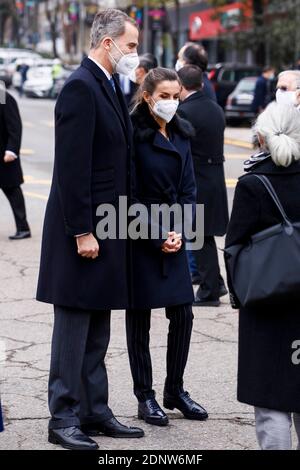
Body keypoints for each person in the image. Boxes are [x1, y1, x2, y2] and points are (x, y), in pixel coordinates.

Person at [36, 9, 144, 450]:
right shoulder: (81, 87)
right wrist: (82, 230)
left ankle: (94, 410)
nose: (133, 53)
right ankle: (62, 417)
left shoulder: (110, 85)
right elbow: (72, 168)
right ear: (108, 43)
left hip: (108, 225)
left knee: (98, 322)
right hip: (82, 229)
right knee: (74, 324)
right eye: (131, 46)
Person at [126, 67, 208, 427]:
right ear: (148, 96)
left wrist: (180, 231)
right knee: (140, 318)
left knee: (184, 314)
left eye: (176, 96)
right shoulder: (132, 133)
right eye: (164, 96)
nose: (172, 103)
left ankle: (174, 389)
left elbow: (189, 190)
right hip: (140, 233)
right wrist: (158, 234)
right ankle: (145, 396)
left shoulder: (182, 133)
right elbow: (126, 195)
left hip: (175, 234)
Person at [225, 102, 300, 450]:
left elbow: (234, 246)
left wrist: (239, 297)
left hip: (266, 300)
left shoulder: (253, 183)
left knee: (271, 399)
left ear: (262, 135)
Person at [178, 65, 228, 306]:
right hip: (215, 178)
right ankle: (216, 282)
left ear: (181, 86)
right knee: (204, 235)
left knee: (199, 237)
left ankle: (209, 291)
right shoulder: (215, 108)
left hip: (198, 180)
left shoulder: (185, 111)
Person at [0, 89, 31, 240]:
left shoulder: (4, 97)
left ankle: (23, 228)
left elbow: (15, 126)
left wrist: (11, 150)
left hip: (4, 157)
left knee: (13, 191)